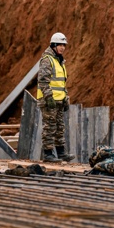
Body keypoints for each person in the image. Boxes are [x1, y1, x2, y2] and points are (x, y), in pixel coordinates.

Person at [36, 32, 74, 163]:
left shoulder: (60, 61)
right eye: (60, 45)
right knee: (50, 127)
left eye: (64, 45)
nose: (62, 48)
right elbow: (43, 80)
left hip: (58, 100)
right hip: (49, 101)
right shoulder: (47, 60)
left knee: (59, 127)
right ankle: (48, 154)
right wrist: (48, 97)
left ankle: (61, 153)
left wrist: (65, 98)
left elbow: (61, 83)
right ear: (53, 45)